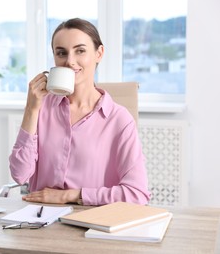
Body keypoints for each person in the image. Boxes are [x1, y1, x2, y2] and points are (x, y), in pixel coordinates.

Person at [9, 18, 151, 206]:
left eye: (80, 51)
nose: (70, 61)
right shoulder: (42, 108)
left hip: (92, 223)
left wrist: (70, 195)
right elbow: (20, 174)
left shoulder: (119, 120)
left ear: (99, 53)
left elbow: (137, 195)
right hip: (40, 221)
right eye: (61, 53)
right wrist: (31, 108)